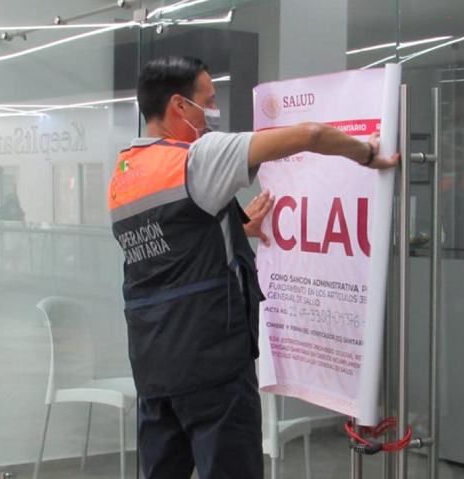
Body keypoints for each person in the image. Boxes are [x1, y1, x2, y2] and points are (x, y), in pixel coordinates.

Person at [107, 56, 399, 479]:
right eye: (208, 101)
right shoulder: (197, 158)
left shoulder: (125, 173)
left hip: (154, 362)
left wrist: (237, 227)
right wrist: (367, 153)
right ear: (179, 106)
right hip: (212, 362)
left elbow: (170, 246)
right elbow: (311, 134)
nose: (213, 111)